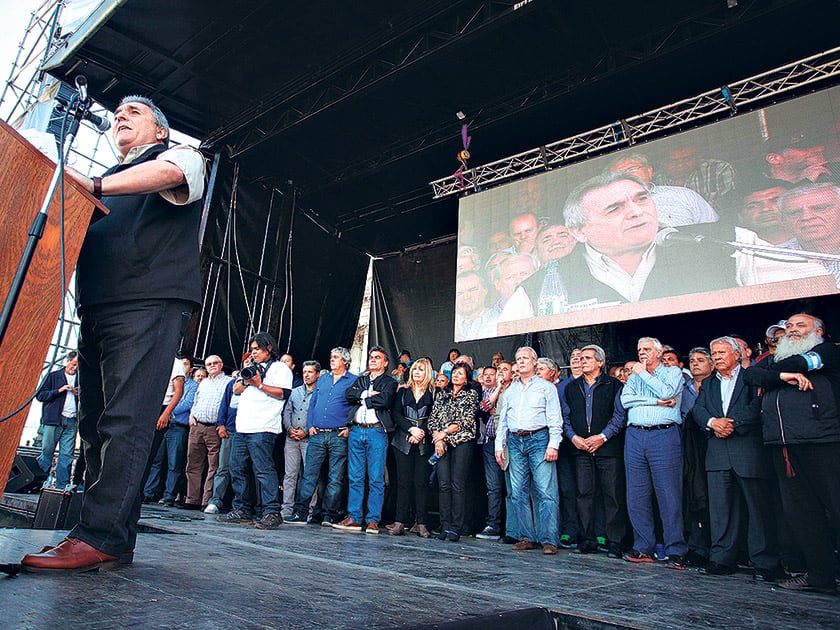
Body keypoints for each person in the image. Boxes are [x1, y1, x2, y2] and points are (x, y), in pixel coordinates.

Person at [22, 95, 206, 573]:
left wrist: (97, 183)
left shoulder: (179, 155)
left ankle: (100, 535)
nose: (120, 116)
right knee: (93, 421)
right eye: (116, 113)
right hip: (100, 304)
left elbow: (172, 176)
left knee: (124, 419)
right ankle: (108, 537)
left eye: (134, 112)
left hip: (147, 300)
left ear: (160, 131)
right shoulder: (105, 179)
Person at [743, 313, 840, 593]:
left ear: (818, 332)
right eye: (789, 327)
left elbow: (799, 363)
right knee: (801, 514)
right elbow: (750, 374)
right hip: (784, 446)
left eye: (801, 326)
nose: (792, 330)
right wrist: (783, 376)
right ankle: (820, 575)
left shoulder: (827, 352)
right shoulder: (775, 362)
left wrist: (775, 373)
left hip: (822, 443)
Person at [560, 172, 735, 306]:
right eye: (614, 209)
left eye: (642, 199)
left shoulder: (712, 249)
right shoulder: (553, 278)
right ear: (579, 232)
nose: (637, 212)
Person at [692, 337, 783, 581]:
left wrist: (732, 423)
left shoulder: (752, 377)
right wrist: (713, 423)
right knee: (721, 511)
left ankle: (764, 563)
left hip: (747, 451)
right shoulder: (709, 383)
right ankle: (722, 559)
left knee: (758, 510)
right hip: (718, 453)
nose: (717, 357)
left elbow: (758, 406)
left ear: (737, 355)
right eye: (714, 353)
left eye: (722, 352)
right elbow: (698, 410)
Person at [620, 337, 688, 568]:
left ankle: (675, 548)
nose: (642, 353)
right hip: (636, 436)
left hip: (663, 435)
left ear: (659, 353)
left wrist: (646, 376)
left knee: (668, 494)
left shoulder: (673, 373)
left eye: (647, 349)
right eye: (639, 350)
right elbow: (625, 400)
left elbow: (668, 391)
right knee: (636, 495)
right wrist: (658, 402)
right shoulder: (633, 377)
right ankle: (643, 546)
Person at [217, 333, 293, 529]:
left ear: (268, 348)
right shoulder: (250, 369)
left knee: (263, 469)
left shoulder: (280, 369)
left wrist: (259, 384)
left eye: (257, 349)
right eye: (252, 349)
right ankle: (242, 509)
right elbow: (235, 390)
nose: (254, 353)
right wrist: (247, 378)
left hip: (263, 426)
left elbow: (283, 393)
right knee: (236, 467)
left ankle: (272, 511)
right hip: (242, 426)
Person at [495, 347, 563, 555]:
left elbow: (554, 418)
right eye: (518, 359)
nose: (521, 362)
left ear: (534, 362)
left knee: (545, 491)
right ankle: (527, 536)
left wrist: (554, 444)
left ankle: (549, 539)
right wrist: (499, 445)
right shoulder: (511, 390)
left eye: (525, 358)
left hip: (539, 439)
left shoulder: (546, 387)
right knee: (518, 492)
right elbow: (503, 420)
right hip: (515, 441)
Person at [561, 344, 626, 558]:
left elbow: (619, 416)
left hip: (607, 448)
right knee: (584, 494)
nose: (582, 361)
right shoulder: (572, 387)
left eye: (588, 358)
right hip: (580, 449)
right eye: (581, 358)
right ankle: (587, 539)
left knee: (612, 495)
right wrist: (573, 437)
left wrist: (602, 437)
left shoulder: (614, 384)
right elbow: (565, 417)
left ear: (600, 362)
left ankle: (615, 541)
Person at [286, 347, 355, 526]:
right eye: (331, 356)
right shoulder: (323, 378)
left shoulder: (353, 380)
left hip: (338, 435)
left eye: (336, 357)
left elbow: (356, 406)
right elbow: (313, 403)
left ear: (345, 361)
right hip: (317, 434)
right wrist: (310, 426)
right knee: (309, 475)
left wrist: (349, 427)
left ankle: (328, 515)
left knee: (335, 477)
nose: (332, 360)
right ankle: (300, 514)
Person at [335, 346, 398, 534]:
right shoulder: (361, 380)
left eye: (377, 358)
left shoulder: (389, 382)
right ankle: (354, 517)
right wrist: (367, 394)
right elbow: (349, 395)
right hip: (356, 431)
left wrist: (362, 398)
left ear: (385, 363)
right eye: (371, 357)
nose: (373, 360)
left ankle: (372, 520)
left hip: (376, 432)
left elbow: (385, 400)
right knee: (355, 476)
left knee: (376, 477)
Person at [428, 364, 479, 541]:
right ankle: (445, 524)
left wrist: (444, 434)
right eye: (454, 373)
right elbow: (433, 419)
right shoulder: (442, 394)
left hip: (461, 442)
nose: (456, 376)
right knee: (443, 484)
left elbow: (465, 419)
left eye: (460, 373)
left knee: (458, 484)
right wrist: (438, 438)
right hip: (441, 443)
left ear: (467, 378)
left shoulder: (471, 394)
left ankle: (456, 527)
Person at [388, 357, 435, 537]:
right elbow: (396, 414)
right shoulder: (403, 391)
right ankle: (399, 522)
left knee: (421, 483)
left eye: (421, 370)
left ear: (427, 372)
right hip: (403, 441)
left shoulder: (434, 392)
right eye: (415, 369)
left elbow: (434, 416)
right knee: (403, 482)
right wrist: (411, 429)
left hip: (424, 442)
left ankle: (421, 523)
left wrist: (420, 432)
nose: (417, 372)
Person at [608, 153, 719, 226]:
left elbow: (716, 230)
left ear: (649, 171)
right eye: (619, 174)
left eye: (632, 169)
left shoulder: (684, 195)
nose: (627, 176)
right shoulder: (608, 211)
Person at [184, 355, 230, 509]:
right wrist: (191, 416)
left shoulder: (228, 382)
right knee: (193, 464)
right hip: (197, 426)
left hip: (214, 428)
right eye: (208, 364)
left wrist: (221, 424)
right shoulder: (203, 383)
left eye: (215, 363)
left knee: (214, 466)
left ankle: (207, 500)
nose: (212, 366)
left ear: (221, 364)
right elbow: (195, 401)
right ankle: (192, 499)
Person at [142, 357, 187, 503]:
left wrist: (166, 413)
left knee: (151, 455)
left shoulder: (176, 364)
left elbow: (178, 391)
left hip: (162, 408)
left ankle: (142, 492)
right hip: (146, 407)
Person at [280, 360, 320, 520]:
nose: (306, 375)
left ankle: (308, 511)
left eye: (310, 372)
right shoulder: (295, 391)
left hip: (308, 439)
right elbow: (287, 412)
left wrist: (304, 432)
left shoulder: (320, 392)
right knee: (289, 475)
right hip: (291, 438)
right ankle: (287, 510)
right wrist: (289, 429)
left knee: (309, 475)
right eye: (305, 372)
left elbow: (318, 415)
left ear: (317, 374)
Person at [778, 183, 840, 284]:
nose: (806, 217)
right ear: (783, 221)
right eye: (794, 213)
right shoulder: (772, 258)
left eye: (820, 208)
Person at [36, 352, 79, 490]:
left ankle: (62, 487)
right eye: (73, 364)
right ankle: (38, 482)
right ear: (67, 361)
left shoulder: (81, 380)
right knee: (47, 451)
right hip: (54, 420)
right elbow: (40, 395)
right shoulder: (54, 376)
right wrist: (59, 390)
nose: (75, 368)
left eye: (78, 366)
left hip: (71, 420)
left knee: (67, 454)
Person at [454, 271, 497, 341]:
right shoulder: (451, 327)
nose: (466, 297)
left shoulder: (499, 318)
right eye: (460, 293)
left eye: (472, 290)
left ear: (485, 290)